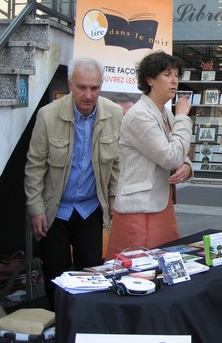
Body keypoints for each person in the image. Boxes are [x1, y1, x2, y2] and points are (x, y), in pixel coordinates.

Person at [24, 58, 123, 309]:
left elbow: (117, 162)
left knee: (91, 274)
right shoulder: (48, 116)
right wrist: (35, 208)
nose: (89, 95)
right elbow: (35, 167)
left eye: (95, 88)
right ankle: (59, 323)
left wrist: (113, 194)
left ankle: (85, 325)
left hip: (90, 210)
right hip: (55, 211)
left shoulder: (115, 113)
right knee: (56, 277)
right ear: (70, 84)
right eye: (82, 87)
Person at [106, 51, 193, 257]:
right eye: (167, 74)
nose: (174, 80)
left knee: (164, 266)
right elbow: (170, 156)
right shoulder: (139, 115)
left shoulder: (165, 112)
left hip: (160, 203)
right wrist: (182, 117)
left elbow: (177, 151)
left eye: (176, 75)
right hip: (140, 208)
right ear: (149, 79)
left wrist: (187, 166)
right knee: (139, 269)